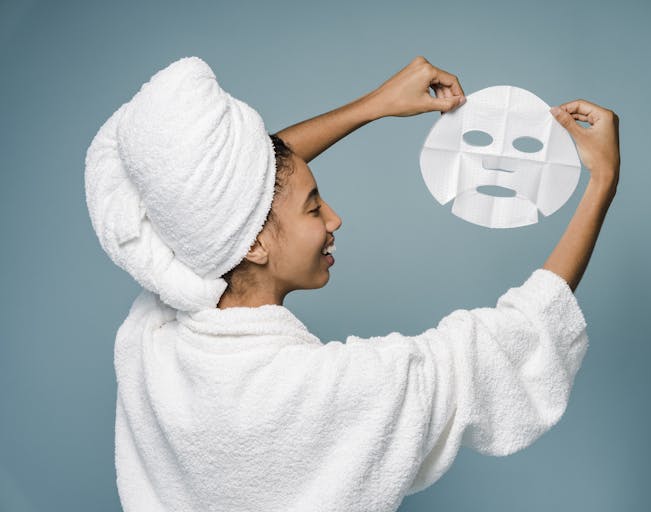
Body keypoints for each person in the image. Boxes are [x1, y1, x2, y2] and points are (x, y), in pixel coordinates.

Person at [85, 55, 619, 511]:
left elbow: (220, 202)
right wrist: (601, 183)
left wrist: (375, 104)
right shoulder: (315, 391)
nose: (334, 219)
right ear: (253, 244)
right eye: (315, 206)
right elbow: (505, 344)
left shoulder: (159, 328)